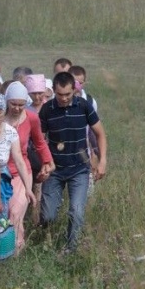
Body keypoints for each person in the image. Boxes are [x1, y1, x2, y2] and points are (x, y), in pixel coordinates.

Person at [37, 71, 107, 252]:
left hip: (80, 169)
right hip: (55, 169)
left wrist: (102, 161)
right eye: (60, 95)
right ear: (53, 91)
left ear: (74, 90)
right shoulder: (47, 110)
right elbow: (39, 139)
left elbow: (99, 133)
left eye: (68, 94)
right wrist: (43, 163)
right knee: (47, 216)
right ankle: (46, 240)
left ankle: (71, 249)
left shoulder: (84, 106)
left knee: (76, 212)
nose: (64, 98)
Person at [0, 92, 33, 251]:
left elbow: (19, 159)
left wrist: (28, 188)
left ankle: (1, 253)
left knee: (1, 217)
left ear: (4, 112)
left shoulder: (11, 132)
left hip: (2, 181)